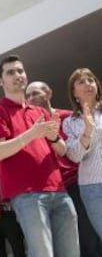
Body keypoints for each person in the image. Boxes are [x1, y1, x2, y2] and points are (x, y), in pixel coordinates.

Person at [0, 55, 79, 257]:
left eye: (20, 71)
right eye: (10, 72)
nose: (18, 75)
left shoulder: (39, 112)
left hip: (59, 191)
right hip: (27, 196)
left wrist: (53, 138)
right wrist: (32, 134)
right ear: (1, 81)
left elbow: (62, 150)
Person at [27, 80, 102, 256]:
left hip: (79, 184)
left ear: (49, 93)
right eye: (28, 96)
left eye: (35, 93)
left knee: (90, 237)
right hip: (55, 191)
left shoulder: (70, 118)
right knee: (75, 244)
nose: (31, 98)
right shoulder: (32, 128)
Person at [63, 68, 102, 242]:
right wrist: (87, 129)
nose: (88, 84)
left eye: (91, 80)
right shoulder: (70, 122)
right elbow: (75, 157)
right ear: (74, 92)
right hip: (92, 188)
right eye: (81, 82)